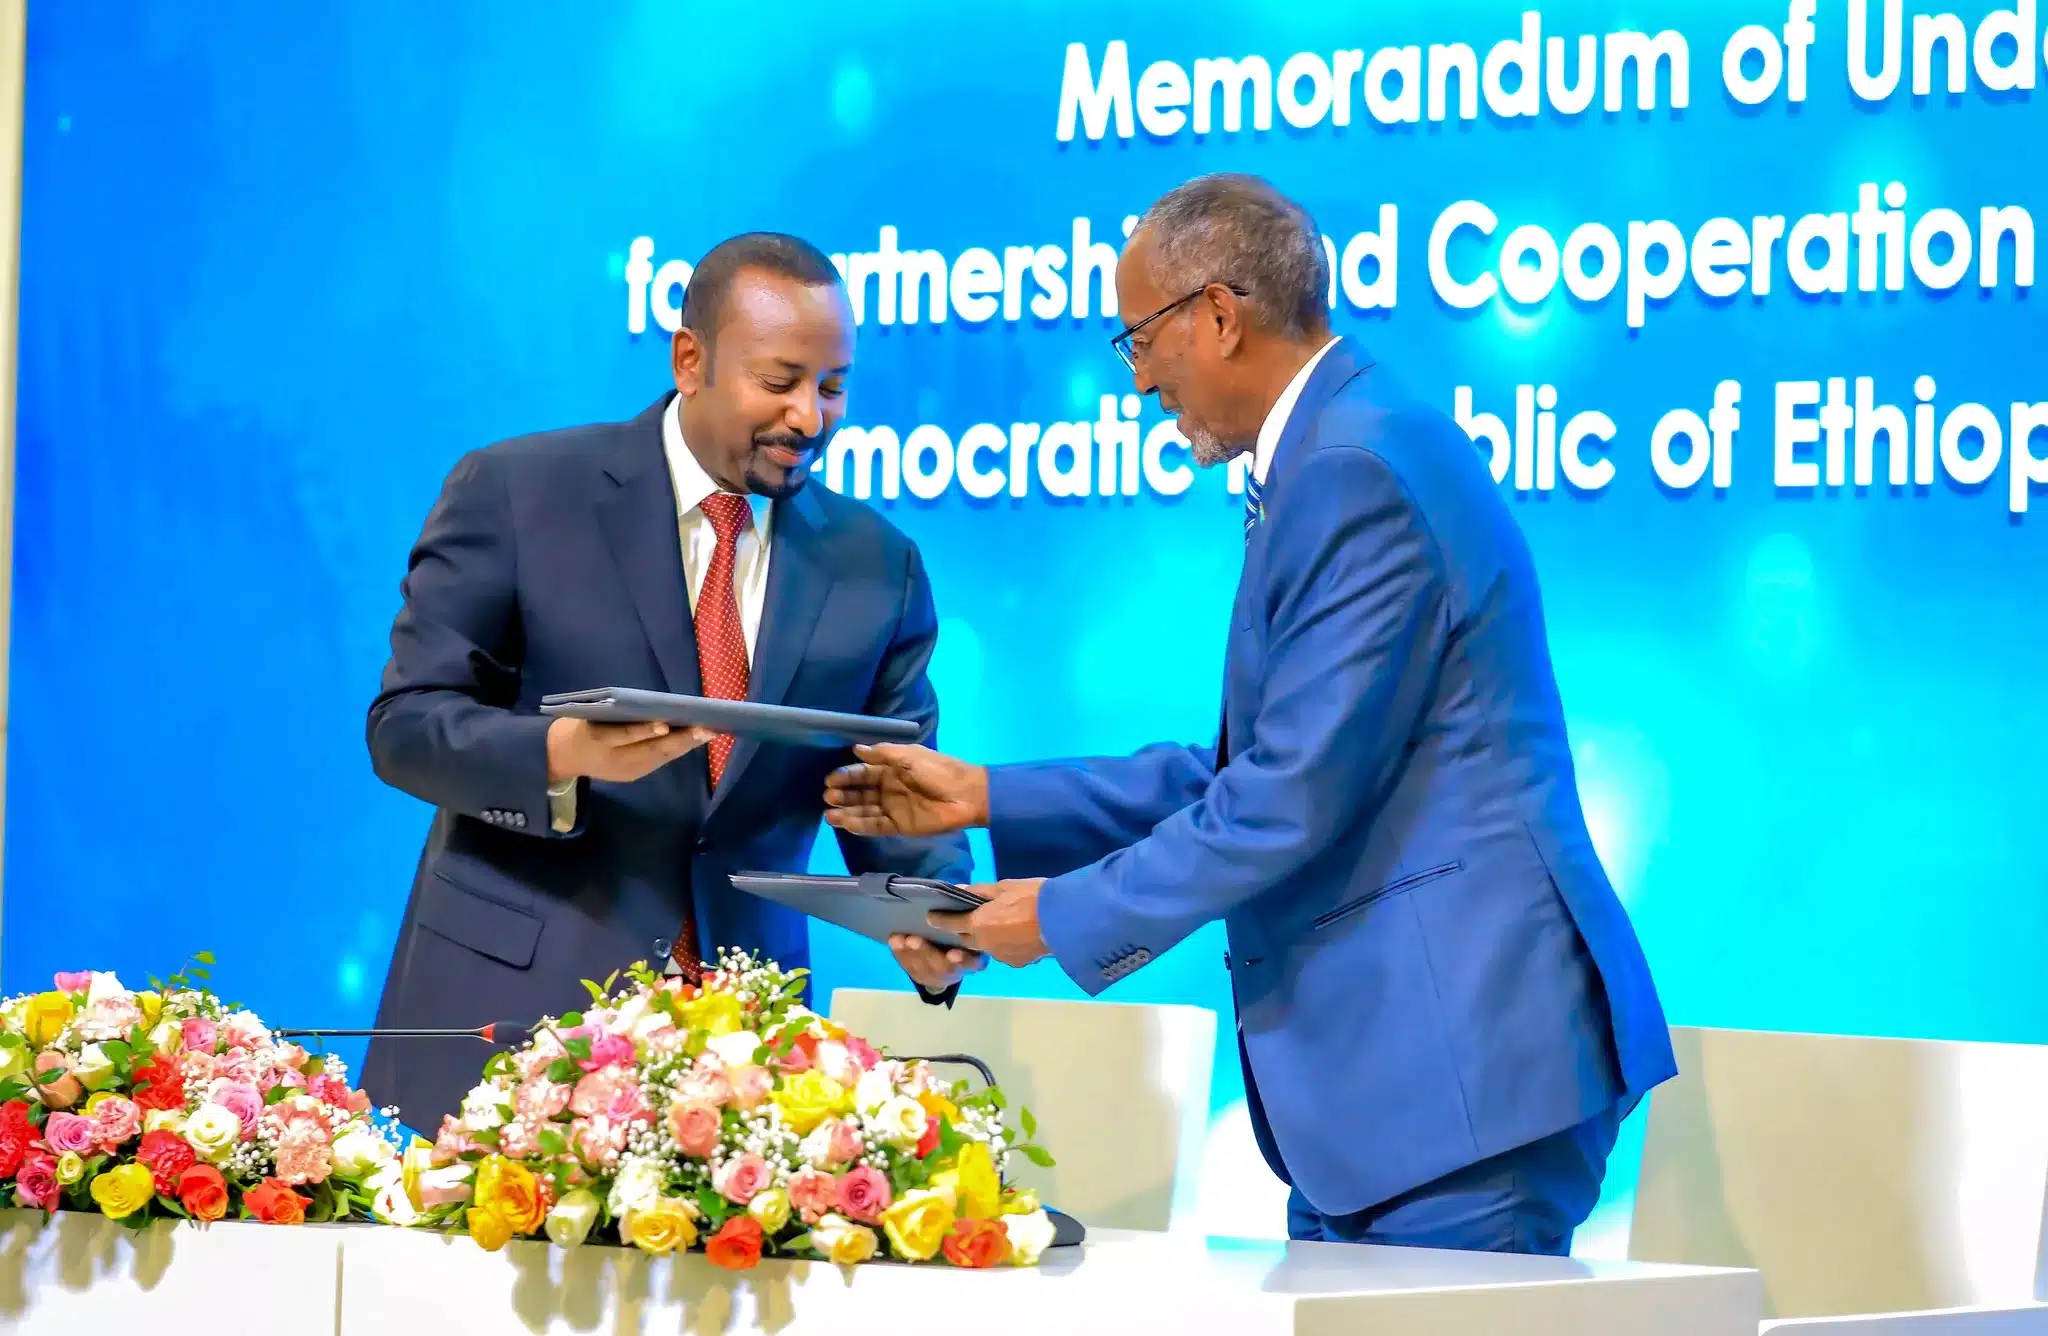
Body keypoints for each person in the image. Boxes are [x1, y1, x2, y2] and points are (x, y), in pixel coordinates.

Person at [823, 175, 1676, 1255]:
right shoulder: (1343, 445)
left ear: (1217, 317)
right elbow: (1253, 768)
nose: (1135, 385)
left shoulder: (1348, 468)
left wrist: (1046, 917)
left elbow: (1281, 801)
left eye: (1137, 342)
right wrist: (988, 797)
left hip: (1457, 1081)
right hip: (1399, 1096)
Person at [364, 232, 972, 1131]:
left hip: (741, 1063)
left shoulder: (877, 564)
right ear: (691, 359)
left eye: (833, 385)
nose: (812, 415)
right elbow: (406, 726)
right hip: (508, 1030)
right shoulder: (520, 493)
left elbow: (890, 782)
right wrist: (558, 753)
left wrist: (934, 911)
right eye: (780, 381)